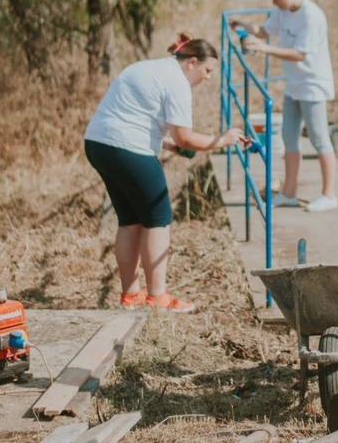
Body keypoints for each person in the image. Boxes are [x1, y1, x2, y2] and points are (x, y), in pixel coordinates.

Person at [85, 33, 247, 313]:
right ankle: (158, 297)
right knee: (158, 220)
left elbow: (136, 114)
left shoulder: (148, 67)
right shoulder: (177, 82)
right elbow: (185, 138)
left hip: (98, 144)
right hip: (128, 148)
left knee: (130, 220)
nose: (207, 78)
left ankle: (130, 297)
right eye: (207, 71)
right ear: (191, 62)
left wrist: (165, 143)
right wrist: (223, 140)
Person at [231, 0, 338, 212]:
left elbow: (301, 54)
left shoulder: (311, 16)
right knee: (289, 137)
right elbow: (266, 31)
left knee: (319, 139)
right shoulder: (283, 11)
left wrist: (265, 49)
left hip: (313, 84)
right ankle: (289, 192)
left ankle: (329, 194)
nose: (274, 2)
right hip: (294, 85)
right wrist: (245, 27)